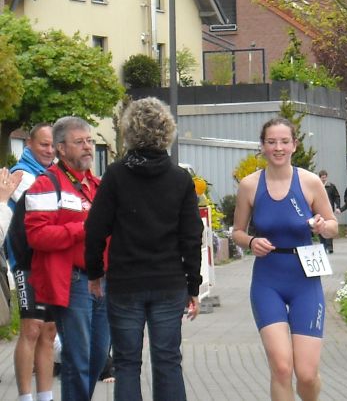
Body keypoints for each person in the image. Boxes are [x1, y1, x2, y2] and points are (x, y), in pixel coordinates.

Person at [84, 97, 203, 401]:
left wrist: (95, 273)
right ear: (167, 131)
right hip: (168, 281)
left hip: (125, 282)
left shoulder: (115, 175)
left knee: (126, 363)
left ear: (129, 131)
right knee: (168, 360)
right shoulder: (180, 179)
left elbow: (95, 229)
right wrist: (193, 285)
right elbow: (192, 236)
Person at [232, 117, 338, 401]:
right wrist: (251, 241)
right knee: (281, 368)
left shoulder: (309, 182)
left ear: (294, 145)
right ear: (262, 146)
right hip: (268, 281)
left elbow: (332, 226)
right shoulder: (250, 185)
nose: (278, 148)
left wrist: (321, 226)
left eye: (284, 141)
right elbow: (237, 232)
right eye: (271, 142)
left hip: (305, 281)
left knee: (306, 374)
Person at [24, 117, 110, 401]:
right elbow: (37, 236)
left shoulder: (96, 185)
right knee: (78, 357)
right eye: (79, 142)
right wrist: (82, 228)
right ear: (61, 148)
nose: (87, 147)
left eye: (89, 141)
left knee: (99, 354)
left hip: (102, 279)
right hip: (73, 280)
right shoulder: (46, 184)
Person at [7, 124, 56, 401]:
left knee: (49, 330)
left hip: (52, 262)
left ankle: (45, 396)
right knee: (31, 328)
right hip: (26, 261)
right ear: (29, 145)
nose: (49, 150)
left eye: (53, 145)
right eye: (43, 145)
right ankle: (25, 396)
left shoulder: (52, 173)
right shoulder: (22, 175)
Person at [318, 170, 341, 254]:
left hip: (329, 209)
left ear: (326, 177)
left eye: (325, 177)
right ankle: (323, 245)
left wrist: (338, 206)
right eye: (322, 177)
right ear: (320, 177)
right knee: (320, 227)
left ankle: (330, 246)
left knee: (328, 227)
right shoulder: (317, 186)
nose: (323, 179)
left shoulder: (331, 186)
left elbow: (337, 197)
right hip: (318, 210)